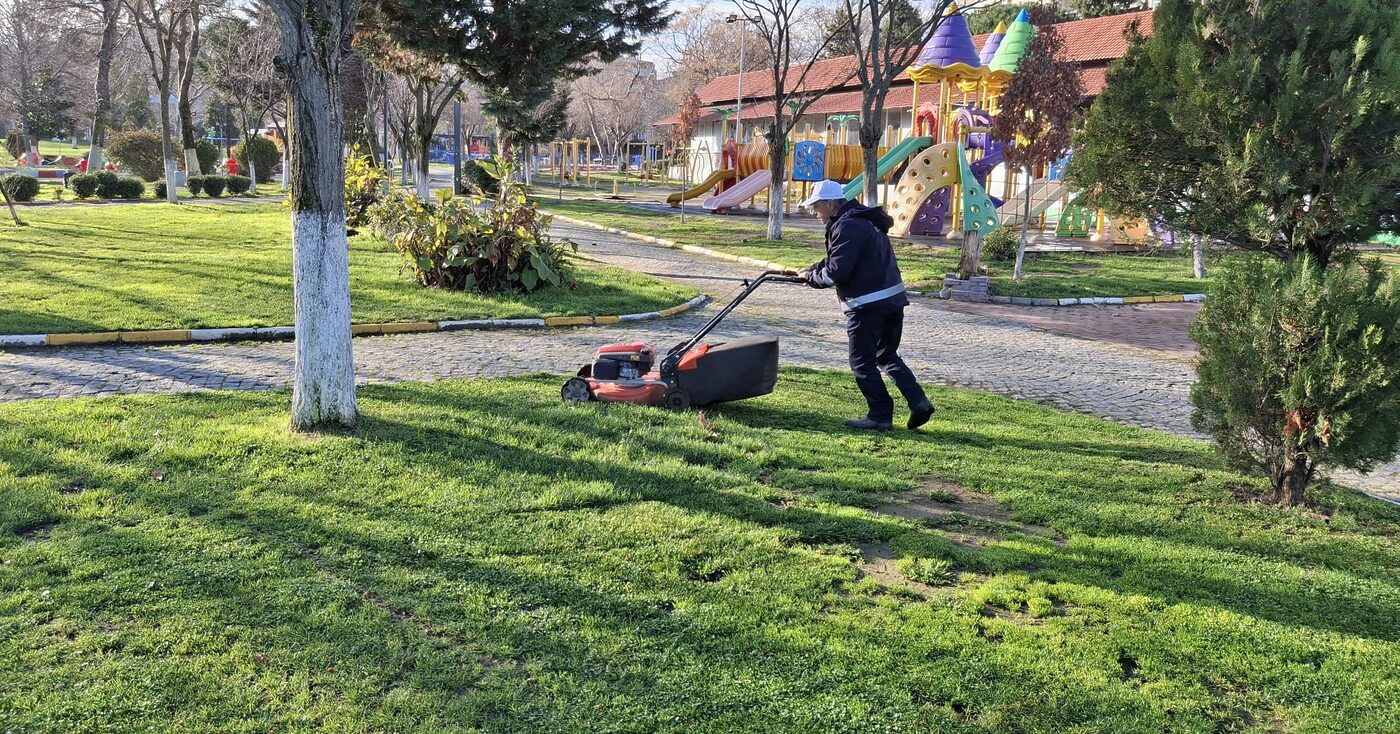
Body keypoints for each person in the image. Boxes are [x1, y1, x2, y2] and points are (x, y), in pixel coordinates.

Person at [798, 179, 935, 431]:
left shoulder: (846, 226)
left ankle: (880, 414)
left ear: (830, 204)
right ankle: (919, 402)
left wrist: (812, 277)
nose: (814, 213)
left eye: (815, 207)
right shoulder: (863, 220)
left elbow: (835, 273)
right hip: (892, 301)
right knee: (886, 354)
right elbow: (839, 257)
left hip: (867, 306)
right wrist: (813, 268)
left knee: (861, 362)